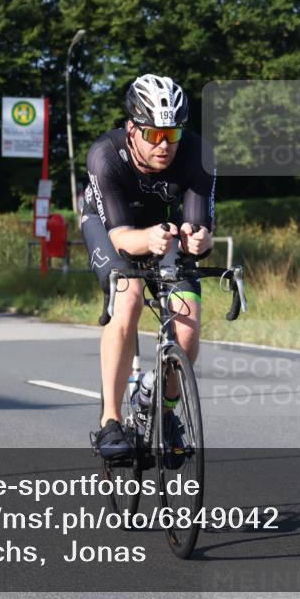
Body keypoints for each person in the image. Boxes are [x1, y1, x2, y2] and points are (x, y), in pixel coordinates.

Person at [82, 74, 215, 461]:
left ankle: (165, 412)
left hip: (164, 231)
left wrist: (198, 240)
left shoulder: (198, 154)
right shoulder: (105, 155)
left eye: (172, 135)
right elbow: (122, 238)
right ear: (132, 129)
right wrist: (152, 239)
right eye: (154, 134)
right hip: (110, 228)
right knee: (129, 300)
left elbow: (199, 225)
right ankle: (110, 420)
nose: (164, 145)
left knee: (187, 322)